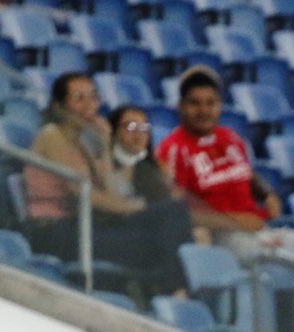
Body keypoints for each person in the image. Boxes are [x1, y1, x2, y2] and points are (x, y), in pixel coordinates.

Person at [24, 73, 193, 296]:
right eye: (79, 98)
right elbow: (87, 196)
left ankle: (175, 295)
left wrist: (104, 145)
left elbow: (110, 188)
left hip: (87, 224)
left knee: (172, 217)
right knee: (161, 238)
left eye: (93, 97)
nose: (88, 105)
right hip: (57, 233)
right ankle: (175, 295)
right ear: (59, 106)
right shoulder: (52, 136)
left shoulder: (87, 139)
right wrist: (134, 208)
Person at [157, 67, 294, 265]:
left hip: (259, 229)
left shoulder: (230, 138)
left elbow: (245, 173)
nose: (203, 110)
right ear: (181, 106)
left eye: (210, 103)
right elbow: (172, 213)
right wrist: (234, 221)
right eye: (195, 103)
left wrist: (266, 193)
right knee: (286, 264)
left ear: (220, 105)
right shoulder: (172, 149)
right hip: (221, 237)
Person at [103, 104, 176, 205]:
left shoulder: (160, 168)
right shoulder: (102, 164)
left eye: (143, 127)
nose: (138, 134)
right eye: (130, 127)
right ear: (113, 130)